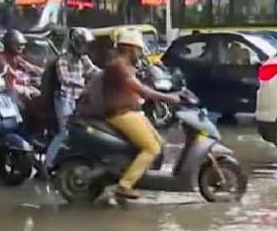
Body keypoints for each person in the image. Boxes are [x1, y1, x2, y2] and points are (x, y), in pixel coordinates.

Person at [102, 29, 181, 200]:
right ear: (130, 49)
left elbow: (140, 87)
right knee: (151, 148)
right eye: (138, 50)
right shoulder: (118, 66)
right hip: (121, 113)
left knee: (159, 142)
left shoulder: (126, 65)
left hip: (132, 111)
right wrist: (168, 98)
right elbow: (140, 89)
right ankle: (124, 185)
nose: (139, 53)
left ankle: (139, 174)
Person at [44, 28, 100, 167]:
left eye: (86, 44)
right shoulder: (63, 60)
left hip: (78, 100)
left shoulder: (84, 59)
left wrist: (109, 74)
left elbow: (94, 71)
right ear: (74, 43)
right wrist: (83, 83)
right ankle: (47, 164)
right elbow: (65, 79)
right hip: (64, 99)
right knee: (64, 132)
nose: (85, 47)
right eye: (83, 43)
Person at [0, 30, 44, 104]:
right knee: (29, 96)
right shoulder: (0, 57)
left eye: (22, 45)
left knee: (40, 94)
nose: (22, 47)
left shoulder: (16, 57)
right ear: (9, 44)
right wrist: (24, 80)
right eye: (18, 45)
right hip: (3, 89)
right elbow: (8, 71)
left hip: (13, 86)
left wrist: (46, 73)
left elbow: (30, 67)